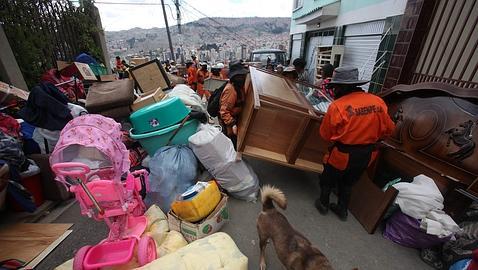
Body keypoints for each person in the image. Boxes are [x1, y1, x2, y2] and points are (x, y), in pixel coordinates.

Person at [315, 66, 395, 221]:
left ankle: (323, 204)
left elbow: (325, 135)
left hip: (343, 155)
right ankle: (342, 210)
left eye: (336, 87)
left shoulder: (337, 106)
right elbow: (389, 130)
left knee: (327, 179)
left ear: (343, 87)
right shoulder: (378, 102)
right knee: (349, 183)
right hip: (367, 154)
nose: (335, 91)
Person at [219, 61, 248, 148]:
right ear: (234, 77)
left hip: (235, 119)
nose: (242, 78)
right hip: (230, 125)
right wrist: (232, 125)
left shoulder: (238, 87)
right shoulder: (230, 90)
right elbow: (224, 111)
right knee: (232, 147)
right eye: (240, 76)